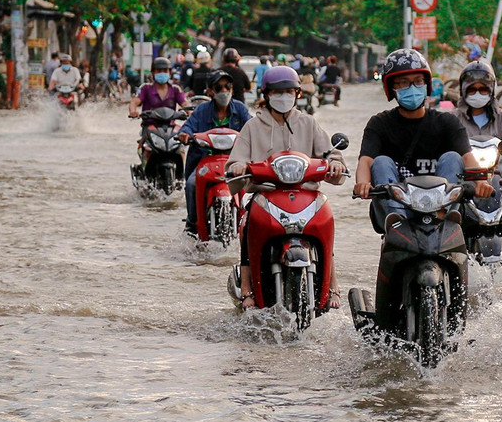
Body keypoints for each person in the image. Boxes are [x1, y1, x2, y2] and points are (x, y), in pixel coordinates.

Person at [225, 65, 346, 308]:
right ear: (267, 95)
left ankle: (333, 286)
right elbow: (236, 160)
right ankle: (248, 290)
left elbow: (329, 153)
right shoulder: (253, 127)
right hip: (266, 194)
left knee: (325, 224)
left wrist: (334, 163)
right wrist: (239, 166)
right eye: (278, 92)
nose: (283, 97)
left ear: (298, 94)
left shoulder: (308, 123)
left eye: (289, 91)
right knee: (248, 226)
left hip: (306, 194)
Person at [353, 48, 494, 229]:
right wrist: (362, 184)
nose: (412, 87)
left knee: (452, 157)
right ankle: (397, 224)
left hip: (439, 208)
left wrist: (481, 183)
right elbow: (366, 160)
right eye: (404, 83)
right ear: (392, 88)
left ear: (426, 84)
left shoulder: (447, 122)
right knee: (381, 162)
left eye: (417, 81)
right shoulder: (379, 123)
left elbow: (467, 158)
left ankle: (444, 220)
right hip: (399, 207)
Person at [178, 71, 252, 238]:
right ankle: (192, 224)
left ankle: (248, 222)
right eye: (219, 87)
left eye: (228, 87)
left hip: (234, 161)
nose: (224, 91)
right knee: (191, 184)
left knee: (252, 184)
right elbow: (188, 126)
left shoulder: (240, 108)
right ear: (210, 91)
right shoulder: (202, 110)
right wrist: (185, 134)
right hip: (204, 161)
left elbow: (251, 126)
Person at [453, 60, 502, 142]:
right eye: (471, 90)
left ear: (492, 91)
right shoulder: (453, 119)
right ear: (463, 91)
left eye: (483, 89)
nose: (477, 94)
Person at [130, 56, 188, 125]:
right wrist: (133, 111)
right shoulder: (145, 88)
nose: (162, 73)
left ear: (169, 72)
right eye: (159, 71)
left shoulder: (176, 89)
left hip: (170, 127)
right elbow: (134, 102)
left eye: (165, 71)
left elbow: (185, 104)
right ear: (153, 73)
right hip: (150, 126)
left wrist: (190, 113)